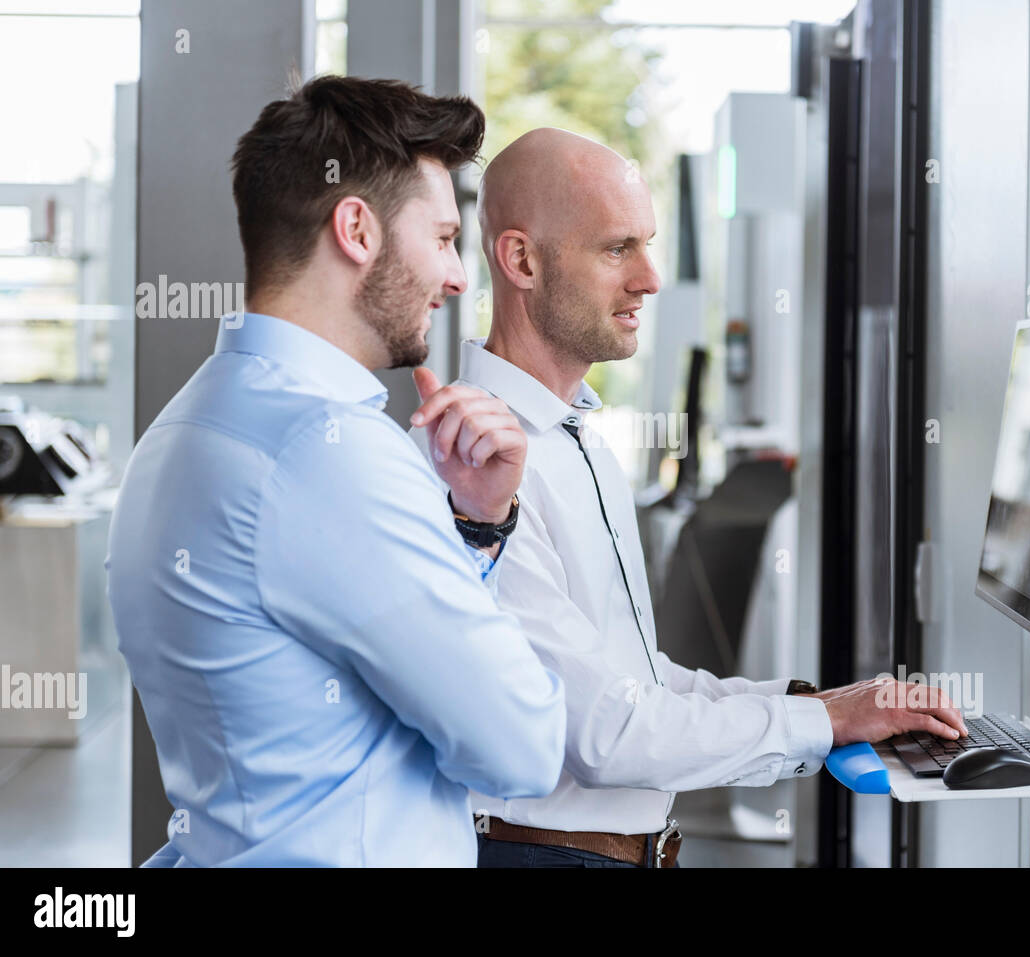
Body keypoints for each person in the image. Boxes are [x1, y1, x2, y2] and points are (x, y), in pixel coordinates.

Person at [408, 128, 967, 868]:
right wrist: (819, 721)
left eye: (648, 243)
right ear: (522, 261)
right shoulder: (467, 459)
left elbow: (640, 681)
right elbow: (605, 734)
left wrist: (820, 702)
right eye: (616, 249)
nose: (650, 277)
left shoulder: (581, 442)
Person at [106, 77, 566, 867]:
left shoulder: (183, 429)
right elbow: (522, 748)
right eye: (445, 237)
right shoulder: (330, 452)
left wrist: (476, 524)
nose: (458, 277)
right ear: (356, 227)